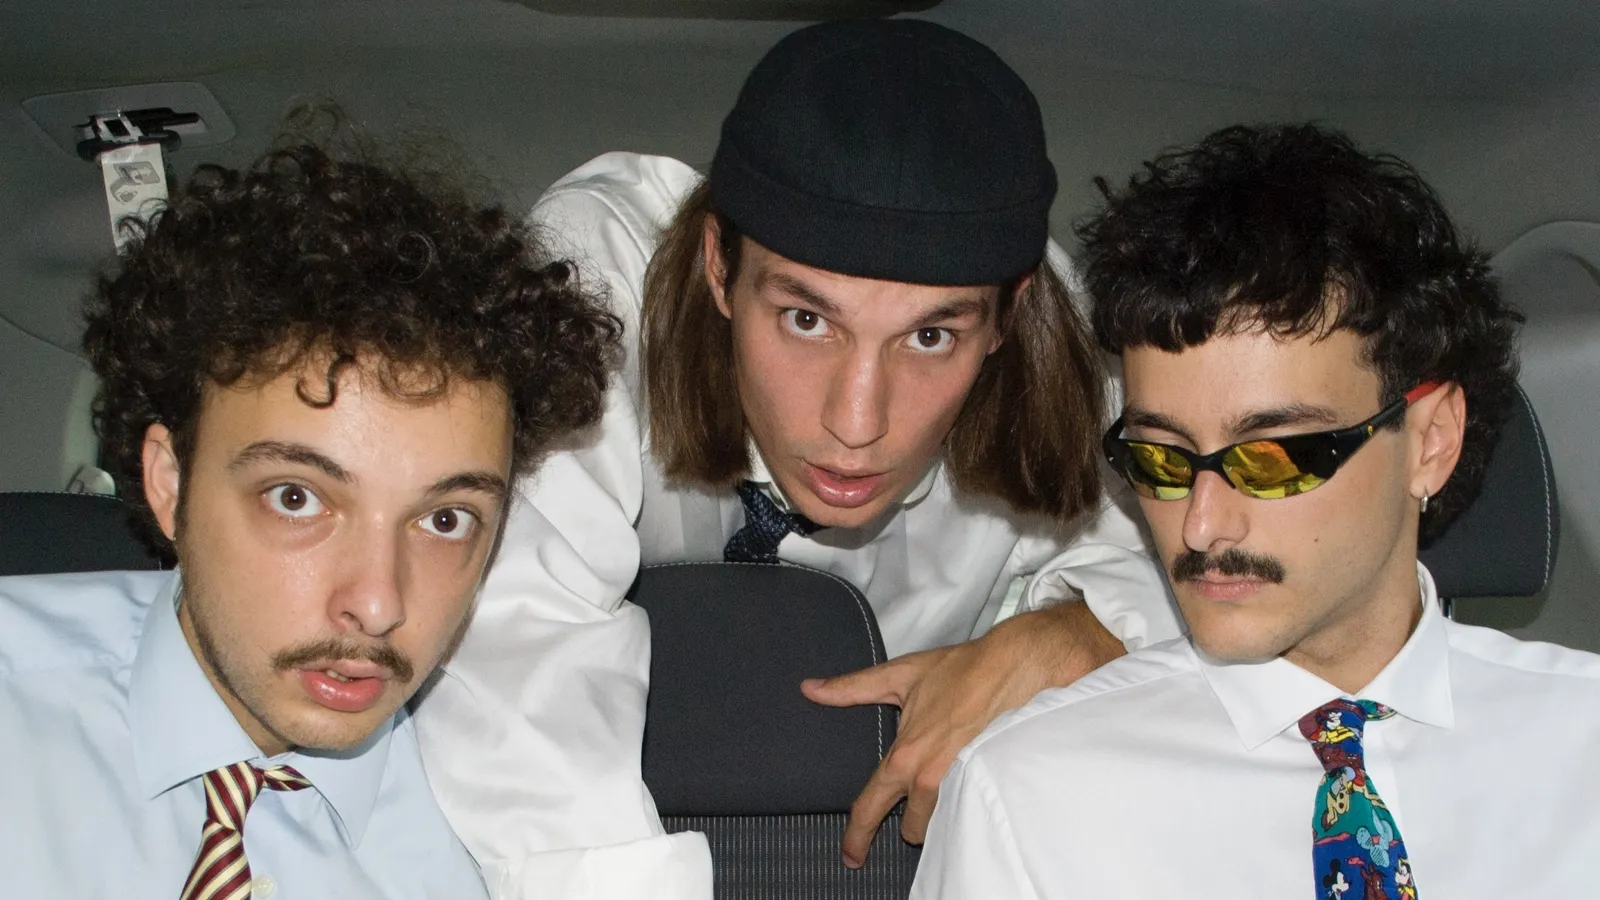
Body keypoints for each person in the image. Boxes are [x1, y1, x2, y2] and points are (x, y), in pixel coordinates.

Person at [413, 17, 1181, 893]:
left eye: (930, 337)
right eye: (806, 319)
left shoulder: (1067, 371)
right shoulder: (600, 281)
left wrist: (1080, 630)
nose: (856, 422)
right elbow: (517, 641)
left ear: (1008, 315)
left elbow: (1218, 570)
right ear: (717, 266)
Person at [911, 123, 1600, 899]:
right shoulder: (1026, 794)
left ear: (1431, 440)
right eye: (1163, 460)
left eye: (1271, 458)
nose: (1201, 526)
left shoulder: (1586, 743)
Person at [0, 129, 622, 898]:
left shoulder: (513, 828)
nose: (378, 604)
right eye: (297, 498)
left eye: (446, 519)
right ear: (170, 483)